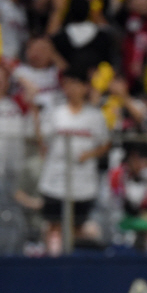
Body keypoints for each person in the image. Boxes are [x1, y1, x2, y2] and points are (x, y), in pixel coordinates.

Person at [37, 67, 110, 254]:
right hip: (55, 178)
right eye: (68, 84)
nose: (72, 89)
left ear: (85, 87)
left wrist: (89, 154)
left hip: (82, 181)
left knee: (78, 225)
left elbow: (104, 144)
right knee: (53, 224)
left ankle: (72, 259)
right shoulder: (55, 113)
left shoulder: (94, 116)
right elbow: (42, 139)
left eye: (76, 84)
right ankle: (52, 262)